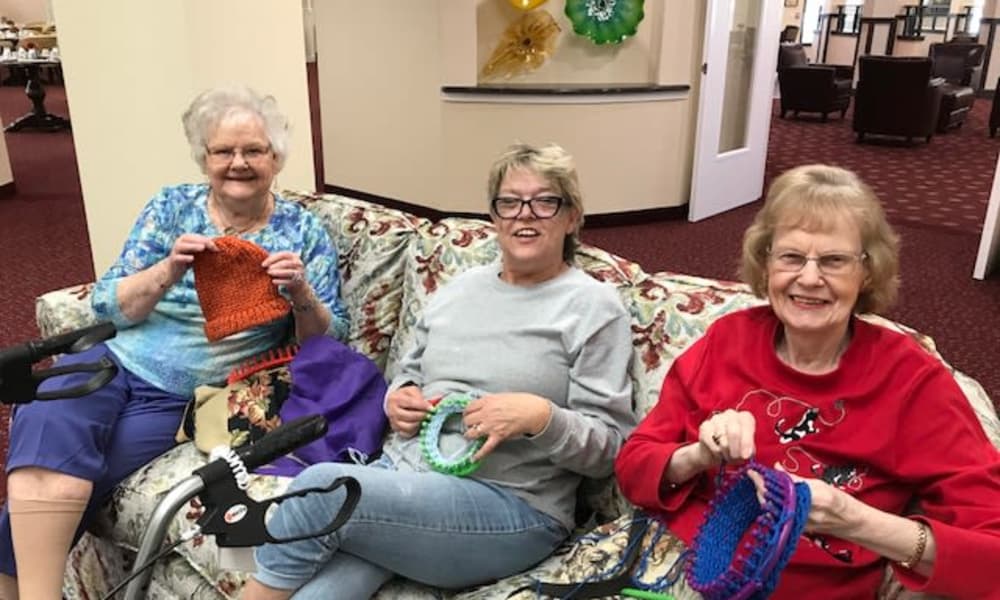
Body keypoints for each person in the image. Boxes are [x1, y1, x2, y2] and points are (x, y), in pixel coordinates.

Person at [240, 142, 635, 600]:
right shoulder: (458, 289)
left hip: (512, 507)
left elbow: (611, 449)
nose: (525, 215)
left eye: (545, 202)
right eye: (509, 202)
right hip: (405, 481)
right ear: (494, 216)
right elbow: (408, 374)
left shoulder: (593, 307)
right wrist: (400, 400)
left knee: (323, 491)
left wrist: (540, 418)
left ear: (572, 217)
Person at [0, 85, 349, 600]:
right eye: (222, 151)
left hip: (184, 397)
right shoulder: (170, 207)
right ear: (203, 158)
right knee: (52, 451)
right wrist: (168, 269)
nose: (238, 163)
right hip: (111, 361)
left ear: (275, 158)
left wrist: (299, 293)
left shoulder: (303, 232)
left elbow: (328, 341)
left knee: (74, 478)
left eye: (253, 150)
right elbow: (108, 306)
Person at [615, 164, 1000, 599]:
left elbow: (993, 558)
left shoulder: (912, 381)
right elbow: (633, 469)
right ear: (766, 263)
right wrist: (697, 455)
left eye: (834, 260)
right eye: (791, 257)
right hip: (678, 572)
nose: (810, 278)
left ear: (867, 272)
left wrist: (854, 521)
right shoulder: (728, 340)